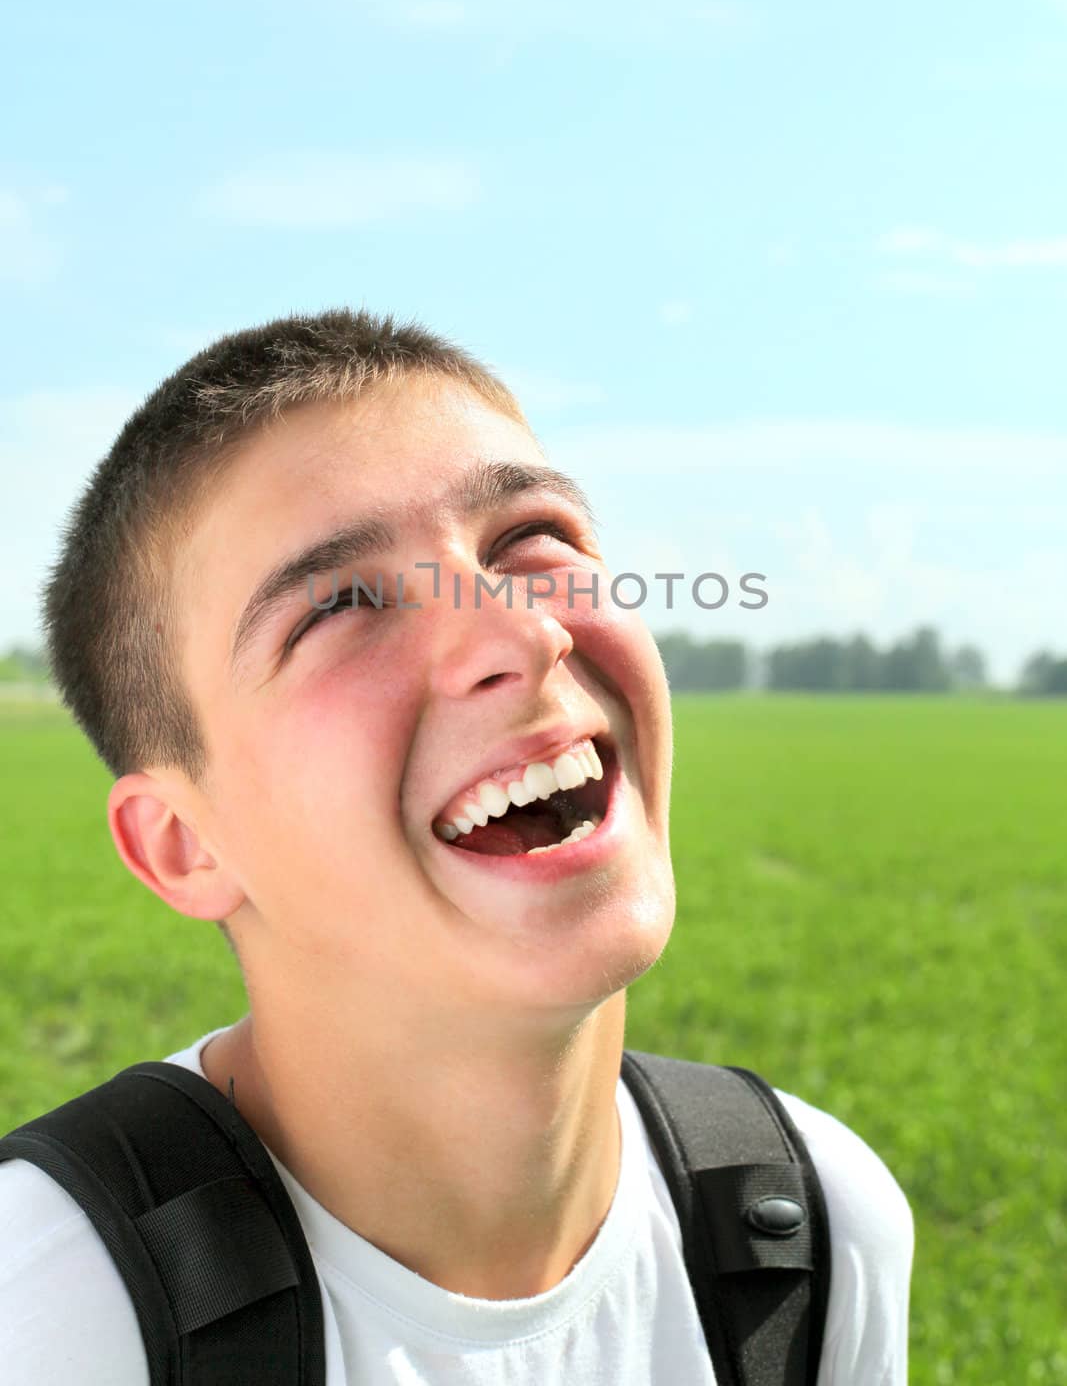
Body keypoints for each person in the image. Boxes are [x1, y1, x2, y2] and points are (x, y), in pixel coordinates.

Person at [0, 310, 914, 1383]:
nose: (524, 632)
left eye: (532, 542)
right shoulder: (56, 1307)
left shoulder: (806, 1228)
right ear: (183, 844)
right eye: (339, 603)